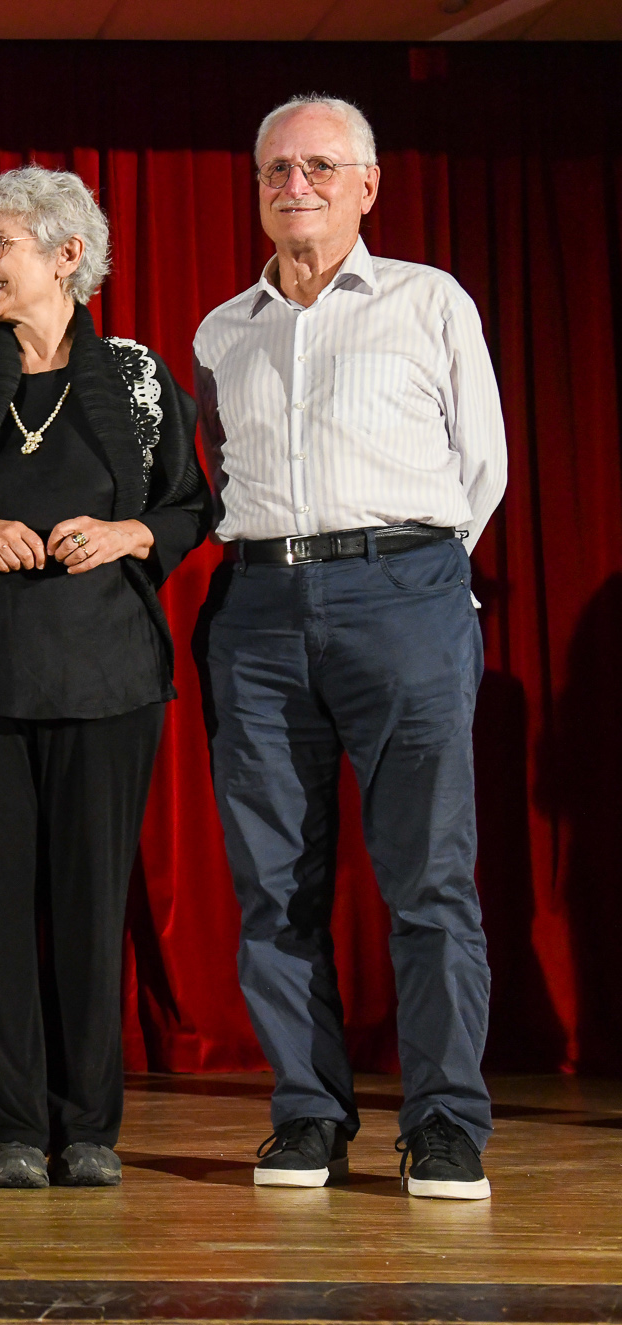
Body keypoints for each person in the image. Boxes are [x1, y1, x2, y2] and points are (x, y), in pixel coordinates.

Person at [194, 94, 507, 1199]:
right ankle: (308, 1116)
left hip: (404, 593)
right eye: (277, 170)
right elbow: (217, 467)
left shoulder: (429, 301)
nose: (297, 186)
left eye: (320, 167)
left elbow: (481, 464)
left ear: (366, 185)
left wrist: (416, 578)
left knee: (428, 878)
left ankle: (445, 1122)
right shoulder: (221, 330)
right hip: (259, 608)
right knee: (273, 882)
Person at [0, 167, 211, 1190]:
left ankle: (89, 1126)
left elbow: (191, 507)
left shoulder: (139, 380)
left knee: (88, 905)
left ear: (67, 255)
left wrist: (127, 534)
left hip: (106, 679)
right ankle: (10, 1130)